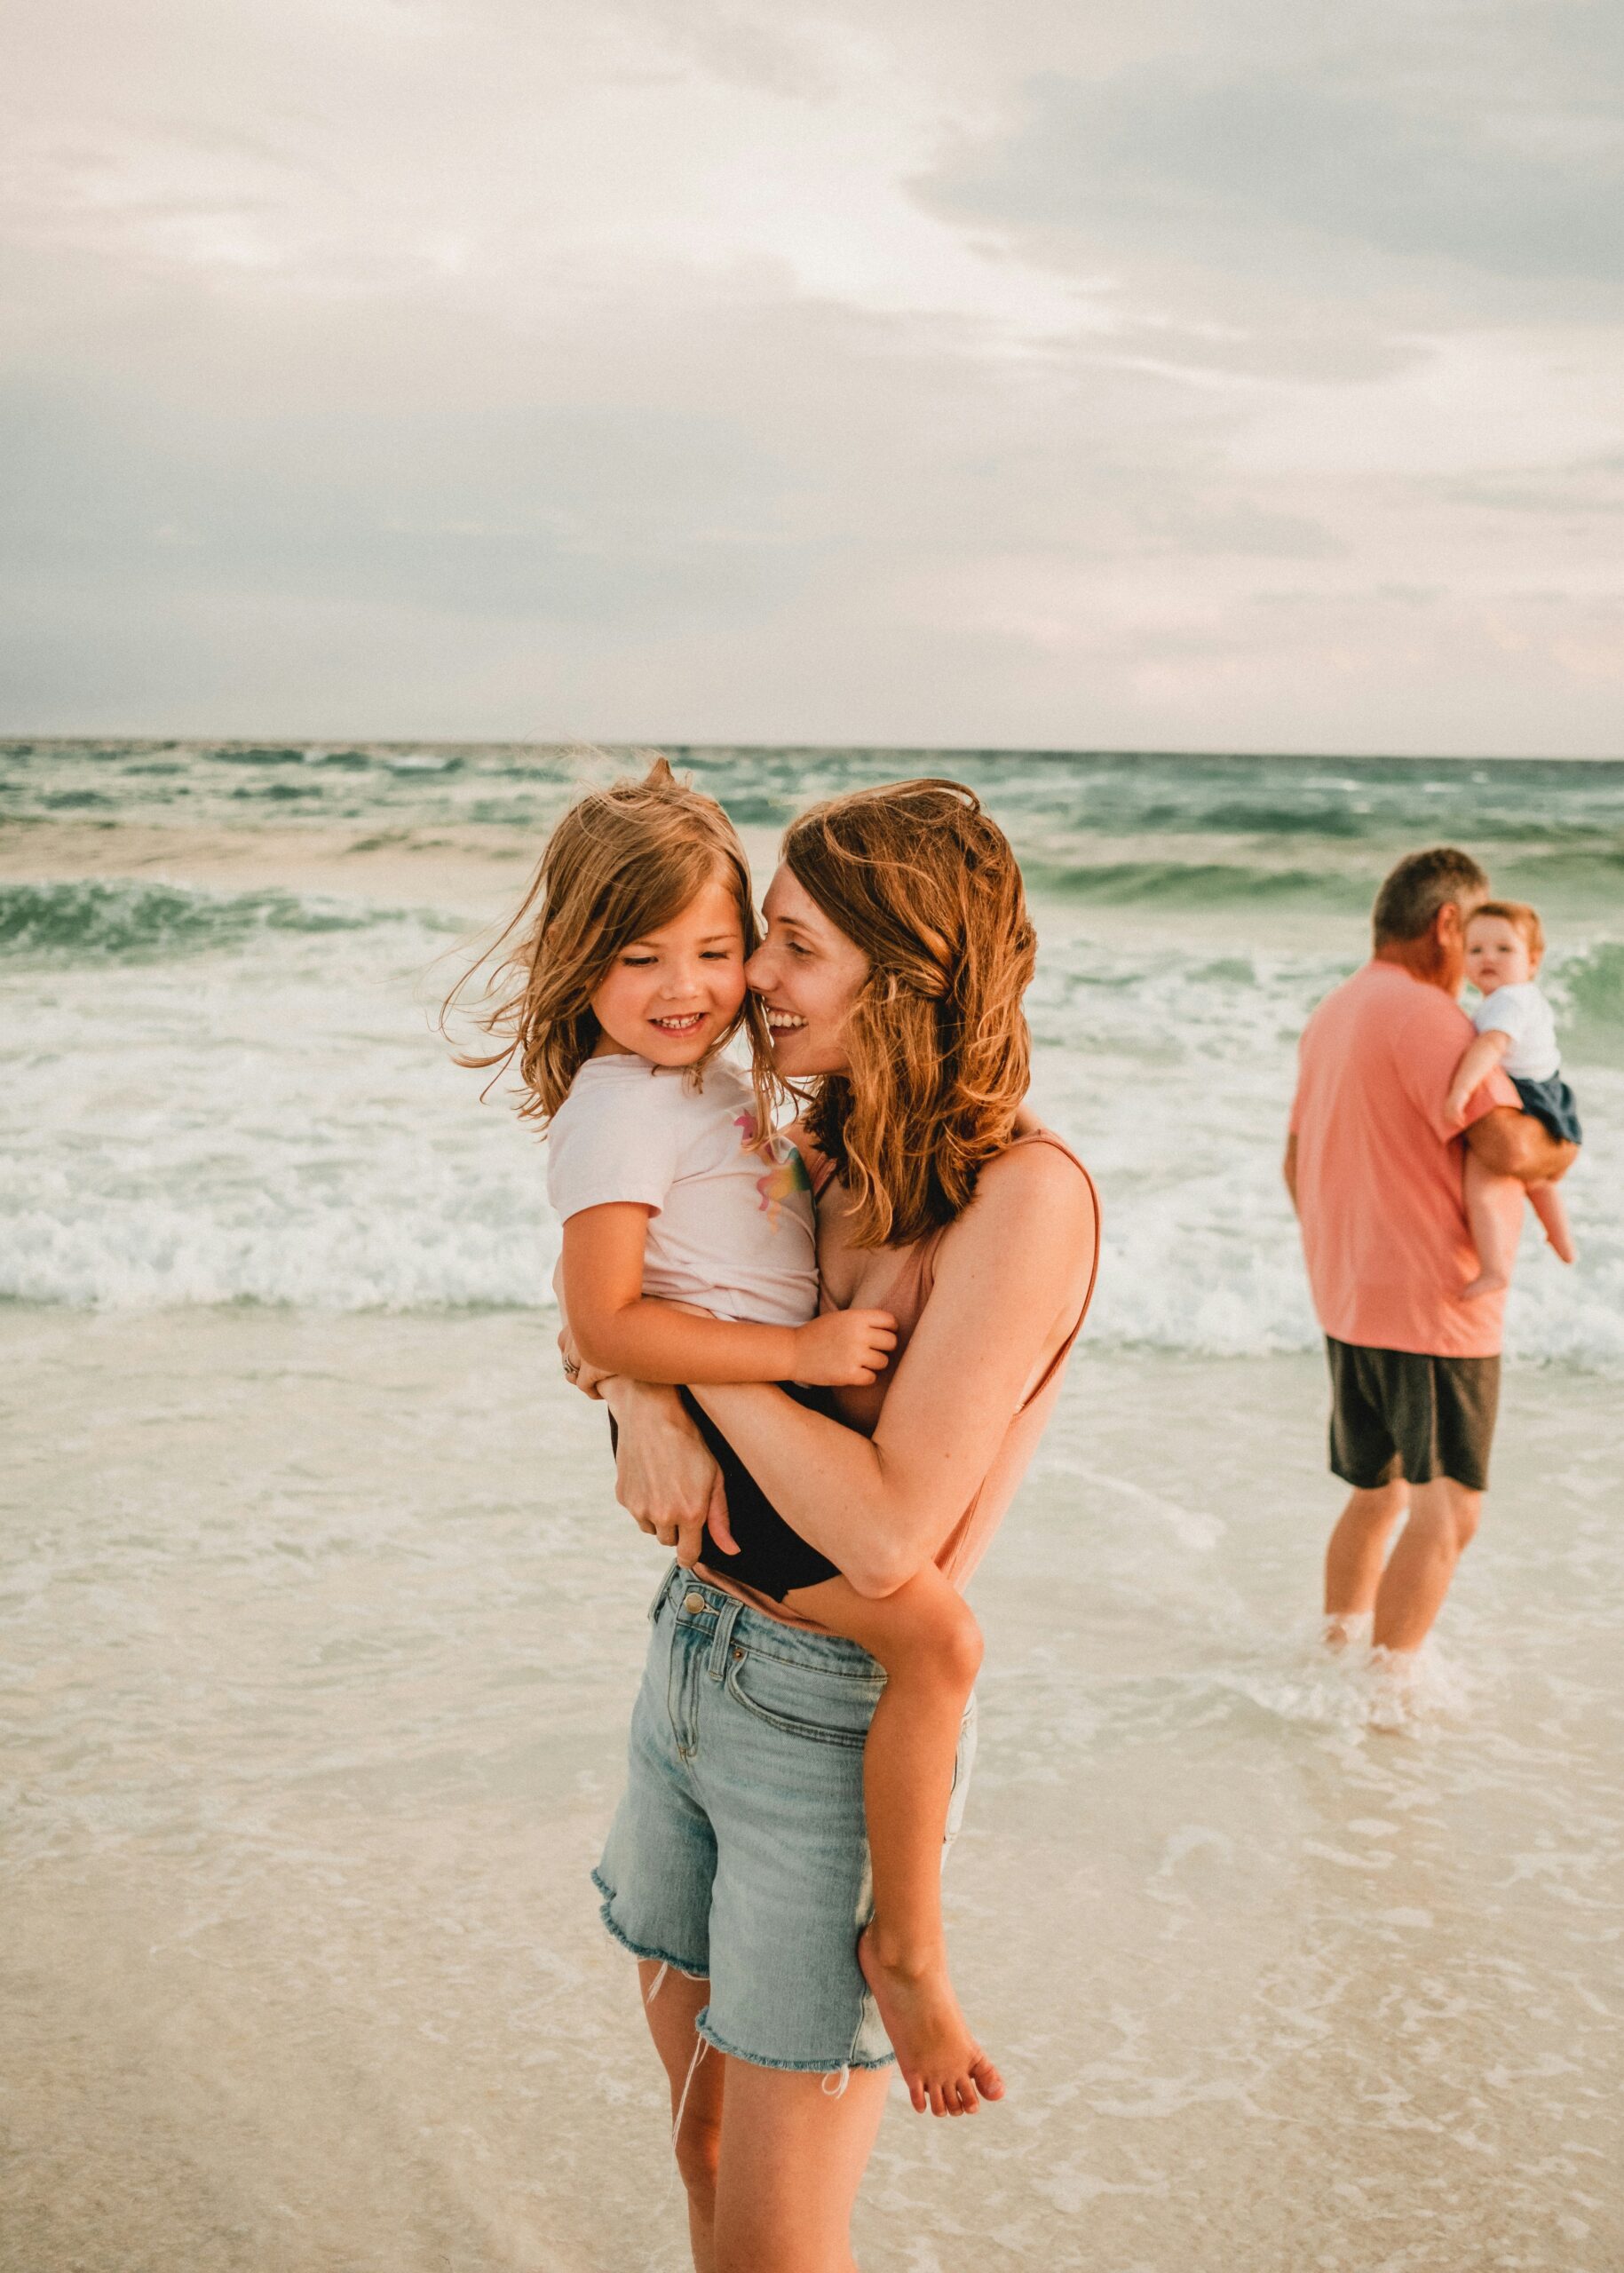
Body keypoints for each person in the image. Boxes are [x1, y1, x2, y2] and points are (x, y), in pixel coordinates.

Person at [568, 778, 1098, 2272]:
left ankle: (910, 1955)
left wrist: (683, 1359)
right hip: (690, 1660)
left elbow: (881, 1536)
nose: (747, 984)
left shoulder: (1021, 1196)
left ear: (907, 968)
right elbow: (596, 1336)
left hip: (828, 1725)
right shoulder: (818, 1142)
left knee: (772, 2248)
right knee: (704, 2143)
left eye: (788, 946)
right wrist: (644, 1388)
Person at [455, 756, 1004, 2123]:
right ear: (582, 963)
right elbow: (608, 1316)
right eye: (644, 956)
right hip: (749, 1469)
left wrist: (668, 1383)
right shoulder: (627, 1100)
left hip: (748, 1455)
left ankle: (905, 1937)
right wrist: (788, 1361)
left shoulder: (710, 1089)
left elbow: (624, 1319)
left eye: (729, 942)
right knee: (935, 1639)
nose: (707, 981)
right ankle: (910, 1951)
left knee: (928, 1639)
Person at [1284, 846, 1578, 1660]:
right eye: (1475, 936)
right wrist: (1567, 1151)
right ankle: (1388, 1694)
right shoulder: (1427, 1017)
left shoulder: (1333, 1012)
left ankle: (1335, 1654)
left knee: (1375, 1497)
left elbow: (1292, 1162)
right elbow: (1509, 1147)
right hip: (1434, 1311)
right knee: (1449, 1507)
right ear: (1447, 924)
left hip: (1348, 1301)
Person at [1446, 899, 1580, 1297]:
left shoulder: (1510, 999)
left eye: (1504, 949)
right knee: (1537, 1180)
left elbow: (1490, 1046)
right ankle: (1562, 1241)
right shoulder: (1513, 998)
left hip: (1529, 1097)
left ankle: (1494, 1269)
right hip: (1550, 1094)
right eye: (1476, 950)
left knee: (1482, 1184)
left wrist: (1460, 1092)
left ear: (1533, 960)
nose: (1489, 957)